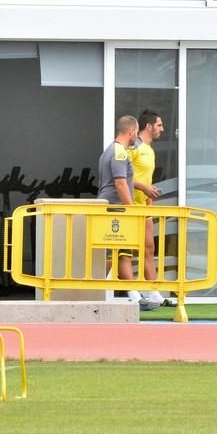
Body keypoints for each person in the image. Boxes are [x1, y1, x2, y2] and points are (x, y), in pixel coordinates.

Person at [97, 115, 158, 311]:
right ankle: (90, 289)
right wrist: (131, 209)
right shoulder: (119, 152)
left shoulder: (111, 150)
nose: (136, 137)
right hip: (116, 208)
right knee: (113, 253)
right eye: (136, 132)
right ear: (131, 131)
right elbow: (121, 182)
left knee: (121, 253)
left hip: (114, 207)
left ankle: (133, 296)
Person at [128, 110, 169, 307]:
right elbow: (122, 176)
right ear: (149, 126)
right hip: (128, 206)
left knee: (149, 248)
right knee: (122, 251)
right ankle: (129, 291)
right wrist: (143, 187)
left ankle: (153, 292)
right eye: (159, 125)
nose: (162, 129)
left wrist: (148, 195)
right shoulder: (134, 146)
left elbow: (145, 178)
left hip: (144, 207)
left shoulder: (150, 151)